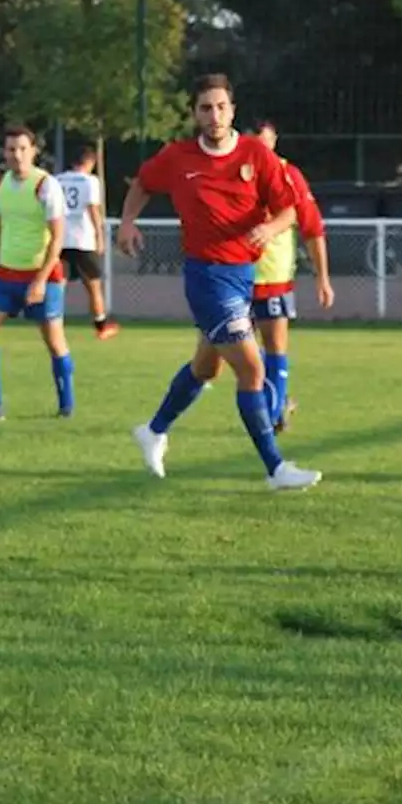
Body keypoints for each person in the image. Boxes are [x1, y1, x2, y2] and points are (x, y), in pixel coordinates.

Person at [117, 73, 321, 491]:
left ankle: (154, 430)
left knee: (205, 368)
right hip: (206, 277)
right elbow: (142, 183)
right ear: (194, 114)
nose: (214, 115)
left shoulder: (255, 154)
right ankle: (276, 468)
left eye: (221, 107)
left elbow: (289, 210)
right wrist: (127, 222)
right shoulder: (177, 157)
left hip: (242, 276)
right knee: (251, 368)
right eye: (205, 108)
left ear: (233, 110)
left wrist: (270, 229)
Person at [0, 125, 73, 420]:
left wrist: (40, 280)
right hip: (6, 274)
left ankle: (66, 405)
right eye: (11, 149)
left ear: (34, 151)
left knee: (54, 341)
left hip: (42, 275)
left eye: (23, 148)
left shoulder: (46, 186)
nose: (17, 155)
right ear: (4, 153)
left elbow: (57, 238)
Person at [252, 120, 334, 431]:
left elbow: (312, 228)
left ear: (274, 143)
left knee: (275, 347)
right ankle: (278, 400)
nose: (261, 150)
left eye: (265, 143)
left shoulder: (289, 175)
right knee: (222, 350)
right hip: (232, 275)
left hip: (273, 277)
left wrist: (322, 277)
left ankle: (275, 412)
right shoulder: (234, 171)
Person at [56, 146, 120, 339]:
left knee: (59, 284)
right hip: (83, 240)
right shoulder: (90, 181)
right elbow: (93, 210)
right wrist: (100, 236)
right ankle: (101, 325)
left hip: (60, 239)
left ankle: (52, 321)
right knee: (93, 286)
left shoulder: (57, 180)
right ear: (89, 162)